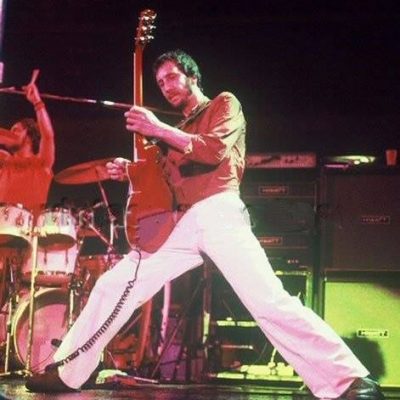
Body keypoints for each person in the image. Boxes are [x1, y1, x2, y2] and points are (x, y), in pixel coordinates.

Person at [26, 50, 384, 400]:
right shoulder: (173, 133)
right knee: (113, 284)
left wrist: (158, 129)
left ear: (192, 76)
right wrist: (129, 170)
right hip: (180, 223)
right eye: (160, 82)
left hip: (219, 211)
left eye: (172, 77)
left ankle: (348, 379)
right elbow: (162, 181)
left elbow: (212, 150)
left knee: (268, 301)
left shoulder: (224, 104)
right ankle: (67, 370)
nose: (166, 86)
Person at [0, 79, 55, 219]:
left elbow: (48, 136)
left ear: (29, 136)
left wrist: (37, 102)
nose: (10, 134)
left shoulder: (42, 163)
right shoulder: (5, 159)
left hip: (29, 230)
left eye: (16, 130)